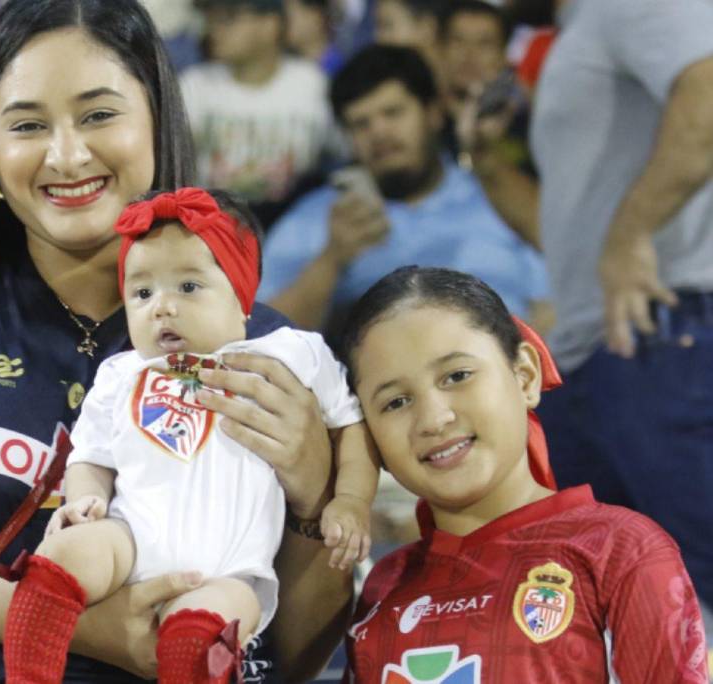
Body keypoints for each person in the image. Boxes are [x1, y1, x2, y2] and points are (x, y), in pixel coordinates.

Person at [0, 1, 352, 682]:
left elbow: (289, 650)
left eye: (98, 115)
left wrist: (316, 497)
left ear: (156, 120)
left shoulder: (263, 348)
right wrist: (80, 628)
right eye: (28, 125)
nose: (67, 154)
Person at [0, 188, 377, 683]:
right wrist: (84, 501)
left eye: (188, 287)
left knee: (205, 635)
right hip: (128, 541)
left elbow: (349, 426)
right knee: (60, 557)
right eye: (142, 293)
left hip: (230, 571)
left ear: (242, 299)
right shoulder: (121, 373)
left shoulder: (291, 352)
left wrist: (349, 500)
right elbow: (90, 455)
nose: (162, 308)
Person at [336, 266, 709, 682]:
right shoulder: (384, 585)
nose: (434, 419)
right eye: (396, 401)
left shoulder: (620, 550)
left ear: (526, 375)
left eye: (457, 376)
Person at [509, 0, 713, 616]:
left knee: (696, 587)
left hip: (660, 326)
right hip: (597, 351)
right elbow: (571, 231)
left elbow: (706, 95)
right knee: (627, 613)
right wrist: (491, 165)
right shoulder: (581, 29)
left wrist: (632, 233)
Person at [257, 44, 549, 337]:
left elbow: (559, 303)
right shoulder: (319, 218)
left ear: (433, 113)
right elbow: (261, 334)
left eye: (393, 113)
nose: (379, 133)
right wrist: (331, 259)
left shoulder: (499, 198)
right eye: (362, 124)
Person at [180, 0, 345, 227]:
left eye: (227, 18)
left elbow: (344, 153)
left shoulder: (312, 85)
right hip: (209, 226)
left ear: (270, 24)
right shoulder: (193, 86)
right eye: (210, 19)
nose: (213, 29)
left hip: (293, 225)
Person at [440, 0, 540, 249]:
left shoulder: (529, 127)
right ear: (439, 49)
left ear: (505, 56)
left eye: (484, 44)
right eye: (458, 41)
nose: (469, 55)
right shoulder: (422, 123)